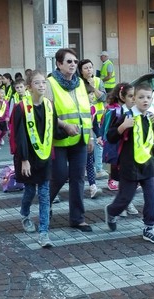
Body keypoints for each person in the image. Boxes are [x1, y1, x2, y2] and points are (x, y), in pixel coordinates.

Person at [104, 83, 154, 244]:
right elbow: (111, 136)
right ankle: (112, 211)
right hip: (129, 165)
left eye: (148, 97)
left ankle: (149, 227)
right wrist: (122, 127)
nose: (145, 101)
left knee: (152, 197)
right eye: (140, 97)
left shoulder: (151, 118)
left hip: (147, 164)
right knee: (125, 198)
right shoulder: (126, 116)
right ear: (134, 99)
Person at [12, 70, 65, 248]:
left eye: (44, 82)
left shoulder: (50, 105)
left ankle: (44, 233)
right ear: (29, 87)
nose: (42, 85)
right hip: (27, 157)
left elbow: (55, 131)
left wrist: (72, 131)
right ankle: (25, 214)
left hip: (45, 157)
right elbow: (19, 135)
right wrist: (24, 159)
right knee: (29, 191)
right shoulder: (21, 107)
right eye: (37, 83)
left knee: (44, 195)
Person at [45, 48, 94, 232]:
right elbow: (47, 112)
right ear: (59, 64)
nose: (73, 64)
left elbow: (86, 111)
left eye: (75, 61)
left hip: (80, 138)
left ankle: (78, 219)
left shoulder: (80, 83)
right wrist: (64, 125)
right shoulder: (50, 83)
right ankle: (45, 204)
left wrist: (89, 136)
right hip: (58, 139)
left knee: (78, 179)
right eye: (69, 61)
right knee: (59, 175)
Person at [101, 82, 141, 216]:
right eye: (131, 96)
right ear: (122, 97)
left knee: (130, 179)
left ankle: (124, 204)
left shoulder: (137, 112)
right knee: (123, 178)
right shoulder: (116, 111)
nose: (134, 99)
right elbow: (108, 130)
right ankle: (124, 205)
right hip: (118, 151)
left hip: (133, 151)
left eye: (135, 96)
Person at [78, 58, 108, 179]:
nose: (89, 70)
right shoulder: (78, 82)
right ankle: (85, 167)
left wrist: (93, 88)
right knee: (85, 143)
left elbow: (104, 97)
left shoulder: (98, 81)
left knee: (98, 142)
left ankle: (99, 168)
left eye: (90, 67)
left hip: (98, 118)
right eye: (86, 68)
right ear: (81, 71)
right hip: (84, 118)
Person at [86, 86, 103, 199]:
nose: (92, 96)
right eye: (89, 94)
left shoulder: (93, 108)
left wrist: (99, 136)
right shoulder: (80, 108)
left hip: (90, 138)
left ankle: (93, 186)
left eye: (92, 94)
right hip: (78, 139)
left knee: (89, 163)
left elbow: (95, 125)